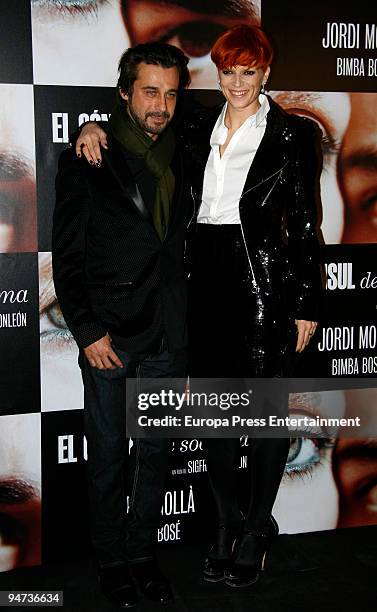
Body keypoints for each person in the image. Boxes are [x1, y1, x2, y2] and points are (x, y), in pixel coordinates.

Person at [76, 24, 322, 589]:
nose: (236, 83)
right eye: (228, 71)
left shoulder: (292, 136)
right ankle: (225, 524)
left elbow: (308, 225)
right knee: (214, 417)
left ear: (265, 74)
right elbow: (138, 125)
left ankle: (256, 530)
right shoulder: (194, 126)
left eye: (248, 72)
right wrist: (92, 126)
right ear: (219, 73)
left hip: (261, 282)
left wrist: (307, 302)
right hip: (200, 281)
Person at [52, 42, 191, 608]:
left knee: (154, 456)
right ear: (124, 94)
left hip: (166, 335)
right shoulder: (87, 156)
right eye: (150, 91)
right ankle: (111, 560)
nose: (161, 105)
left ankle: (142, 555)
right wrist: (86, 331)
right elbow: (67, 255)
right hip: (109, 335)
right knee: (108, 455)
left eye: (171, 93)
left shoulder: (189, 149)